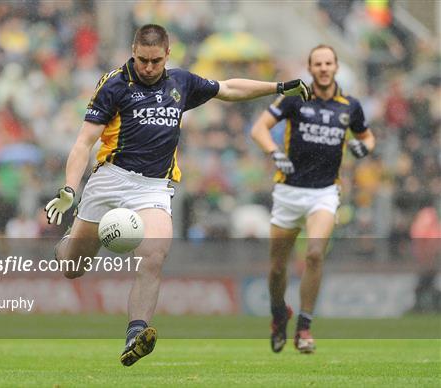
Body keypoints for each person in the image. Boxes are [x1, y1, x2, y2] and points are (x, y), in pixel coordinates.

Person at [45, 23, 310, 366]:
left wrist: (278, 87)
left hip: (154, 186)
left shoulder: (180, 82)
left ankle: (135, 333)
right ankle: (65, 242)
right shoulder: (114, 84)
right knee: (72, 267)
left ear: (167, 54)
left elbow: (227, 88)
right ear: (133, 51)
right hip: (110, 180)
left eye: (156, 61)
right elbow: (84, 141)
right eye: (142, 60)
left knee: (153, 256)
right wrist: (69, 187)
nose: (149, 67)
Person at [250, 44, 375, 354]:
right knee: (278, 267)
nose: (323, 68)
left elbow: (367, 136)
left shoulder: (350, 106)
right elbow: (259, 129)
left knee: (315, 254)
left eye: (328, 63)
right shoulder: (295, 98)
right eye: (317, 63)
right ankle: (279, 313)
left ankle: (304, 327)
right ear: (310, 68)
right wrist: (275, 153)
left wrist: (366, 147)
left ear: (335, 67)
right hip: (289, 191)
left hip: (324, 192)